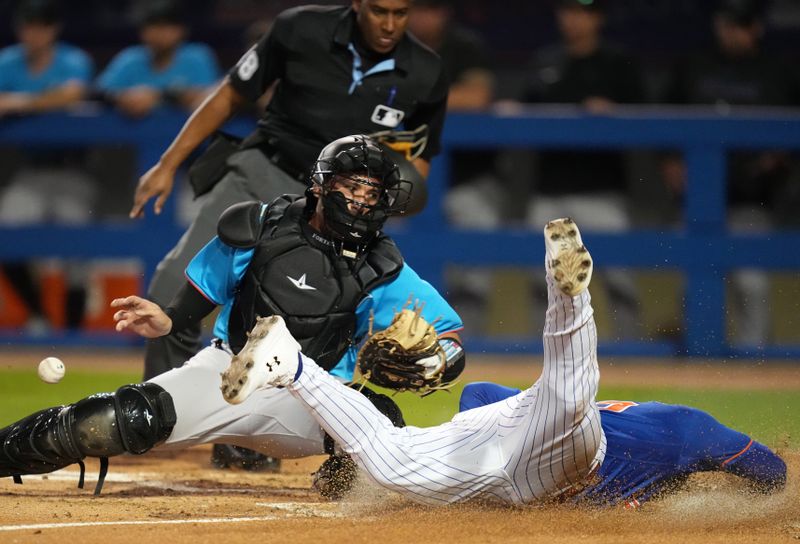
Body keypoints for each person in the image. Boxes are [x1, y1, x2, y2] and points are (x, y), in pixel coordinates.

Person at [0, 135, 465, 494]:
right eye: (352, 186)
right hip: (227, 372)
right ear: (321, 185)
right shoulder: (260, 223)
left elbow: (449, 338)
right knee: (115, 419)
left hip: (311, 393)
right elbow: (203, 291)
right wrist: (169, 319)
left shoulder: (384, 265)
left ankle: (335, 487)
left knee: (382, 420)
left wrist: (433, 360)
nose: (363, 200)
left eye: (373, 191)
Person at [132, 0, 448, 382]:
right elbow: (233, 93)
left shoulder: (426, 72)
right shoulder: (300, 29)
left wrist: (381, 205)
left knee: (307, 321)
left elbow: (417, 161)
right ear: (358, 4)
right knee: (170, 290)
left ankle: (260, 431)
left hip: (336, 208)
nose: (390, 24)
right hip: (264, 171)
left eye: (401, 14)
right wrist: (167, 164)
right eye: (380, 11)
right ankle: (161, 415)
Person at [217, 217, 604, 506]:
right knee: (570, 395)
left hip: (501, 460)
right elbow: (665, 433)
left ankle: (294, 365)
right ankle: (570, 296)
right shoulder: (633, 432)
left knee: (390, 461)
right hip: (572, 449)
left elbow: (478, 395)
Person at [663, 0, 800, 346]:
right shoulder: (695, 66)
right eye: (725, 24)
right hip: (698, 199)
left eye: (739, 25)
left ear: (756, 28)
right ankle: (695, 362)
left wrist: (779, 160)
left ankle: (757, 364)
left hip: (750, 198)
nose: (731, 32)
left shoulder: (777, 73)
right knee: (691, 284)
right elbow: (663, 119)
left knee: (751, 285)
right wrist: (670, 160)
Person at [522, 0, 646, 339]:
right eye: (569, 11)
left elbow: (646, 122)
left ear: (598, 18)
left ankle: (633, 355)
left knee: (618, 277)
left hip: (602, 190)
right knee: (543, 280)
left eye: (584, 11)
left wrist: (614, 113)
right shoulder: (546, 62)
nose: (575, 19)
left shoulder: (617, 64)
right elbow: (525, 115)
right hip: (550, 188)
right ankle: (541, 356)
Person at [459, 385, 786, 508]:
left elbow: (773, 473)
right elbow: (477, 392)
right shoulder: (542, 414)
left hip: (666, 435)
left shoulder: (683, 434)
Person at [0, 0, 96, 334]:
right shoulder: (9, 61)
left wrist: (20, 102)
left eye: (41, 26)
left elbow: (72, 94)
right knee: (7, 233)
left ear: (53, 29)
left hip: (74, 169)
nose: (34, 33)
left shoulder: (72, 60)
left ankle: (74, 333)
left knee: (78, 252)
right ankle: (37, 315)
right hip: (32, 169)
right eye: (28, 25)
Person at [96, 0, 220, 117]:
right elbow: (98, 92)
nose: (159, 34)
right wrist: (122, 98)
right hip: (133, 135)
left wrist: (157, 96)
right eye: (153, 26)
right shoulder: (130, 58)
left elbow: (208, 95)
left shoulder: (197, 56)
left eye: (166, 26)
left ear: (182, 30)